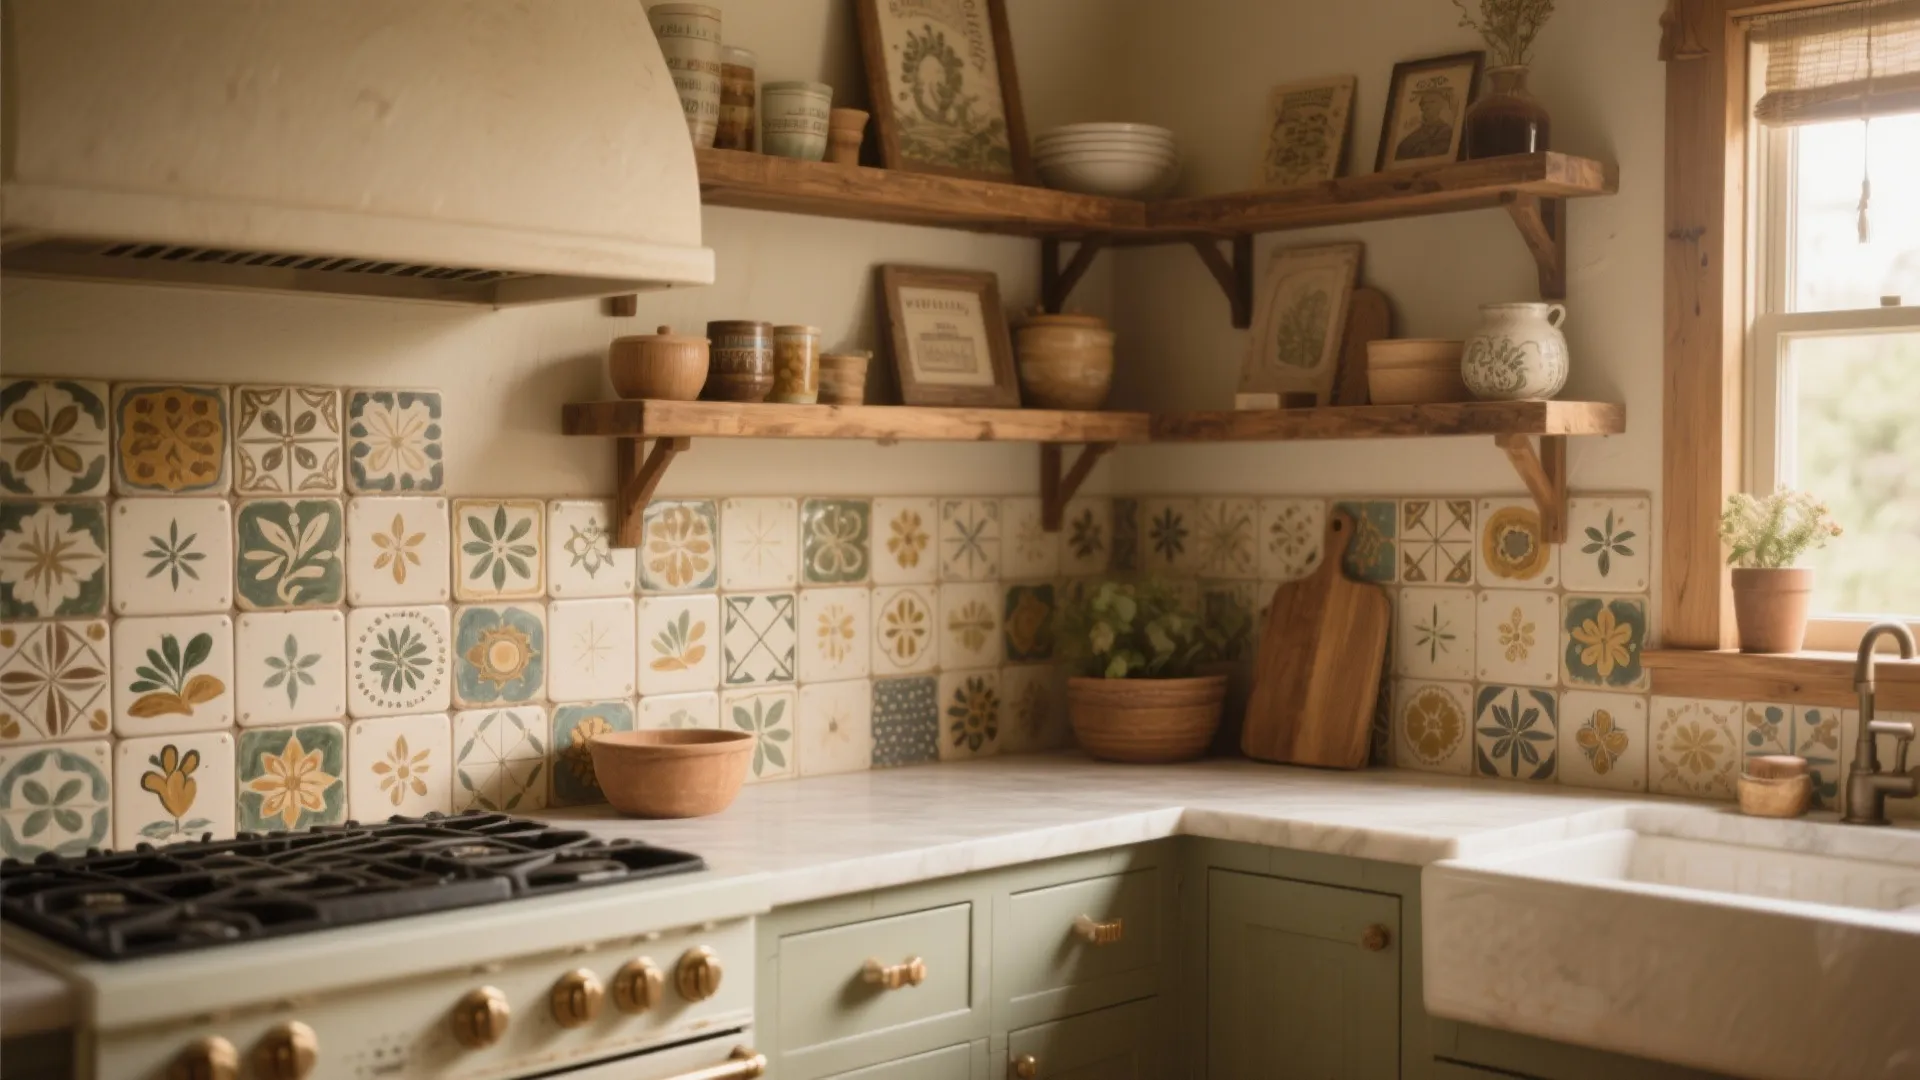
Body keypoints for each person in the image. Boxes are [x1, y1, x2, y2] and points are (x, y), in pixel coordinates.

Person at [1395, 77, 1458, 161]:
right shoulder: (1414, 133)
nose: (1427, 106)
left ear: (1440, 106)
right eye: (1424, 103)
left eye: (1432, 102)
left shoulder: (1446, 132)